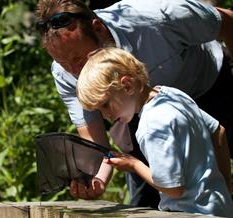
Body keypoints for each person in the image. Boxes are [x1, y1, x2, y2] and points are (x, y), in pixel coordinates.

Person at [35, 0, 233, 207]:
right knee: (143, 205)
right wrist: (97, 179)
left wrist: (135, 165)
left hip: (212, 84)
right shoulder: (66, 74)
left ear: (98, 29)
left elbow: (228, 21)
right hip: (137, 106)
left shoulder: (157, 18)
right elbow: (97, 144)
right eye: (62, 63)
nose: (75, 72)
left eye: (78, 59)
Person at [76, 47, 233, 216]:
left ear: (127, 86)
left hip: (190, 212)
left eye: (105, 104)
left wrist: (134, 164)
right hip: (219, 207)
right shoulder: (172, 94)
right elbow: (218, 131)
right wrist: (225, 185)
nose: (106, 115)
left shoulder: (151, 126)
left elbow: (173, 189)